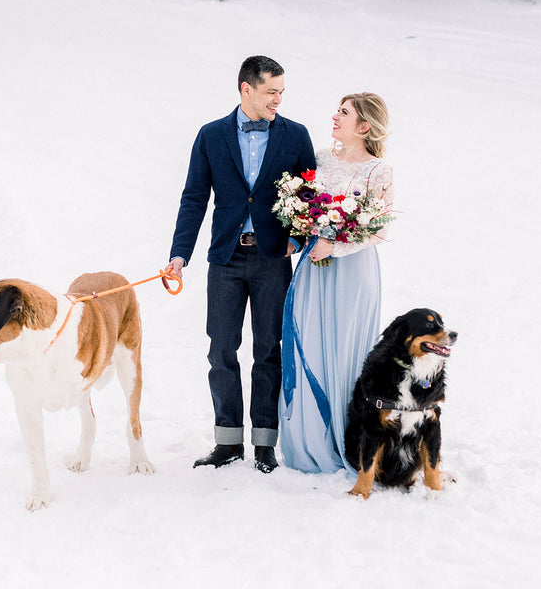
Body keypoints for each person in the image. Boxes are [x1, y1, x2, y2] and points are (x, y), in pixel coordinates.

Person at [168, 55, 316, 473]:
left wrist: (297, 238)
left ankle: (265, 445)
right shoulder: (211, 135)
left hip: (273, 260)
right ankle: (228, 442)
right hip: (226, 260)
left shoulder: (295, 135)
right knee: (221, 350)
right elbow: (194, 197)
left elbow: (312, 195)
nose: (278, 100)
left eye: (282, 93)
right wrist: (180, 254)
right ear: (245, 89)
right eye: (271, 92)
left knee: (269, 351)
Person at [278, 92, 394, 474]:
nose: (334, 117)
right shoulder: (322, 159)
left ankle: (348, 442)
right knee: (308, 344)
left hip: (354, 273)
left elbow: (379, 229)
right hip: (314, 267)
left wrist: (336, 245)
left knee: (346, 352)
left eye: (343, 113)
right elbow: (304, 205)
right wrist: (300, 236)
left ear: (364, 126)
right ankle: (307, 442)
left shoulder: (379, 170)